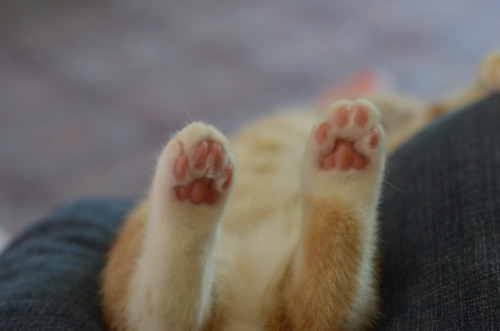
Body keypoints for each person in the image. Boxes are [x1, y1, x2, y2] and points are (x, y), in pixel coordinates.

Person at [0, 94, 499, 330]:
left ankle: (179, 248)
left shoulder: (339, 114)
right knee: (317, 314)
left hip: (242, 213)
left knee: (109, 235)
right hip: (280, 253)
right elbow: (432, 123)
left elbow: (418, 116)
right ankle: (337, 210)